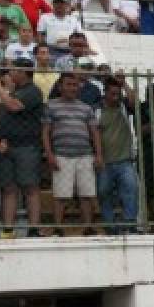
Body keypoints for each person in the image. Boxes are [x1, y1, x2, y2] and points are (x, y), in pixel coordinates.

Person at [0, 61, 46, 237]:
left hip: (26, 146)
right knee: (8, 188)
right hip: (6, 146)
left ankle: (34, 229)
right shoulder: (12, 92)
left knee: (30, 187)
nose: (11, 72)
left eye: (15, 69)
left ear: (24, 72)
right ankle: (8, 230)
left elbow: (14, 106)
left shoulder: (33, 91)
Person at [42, 72, 103, 235]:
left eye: (75, 85)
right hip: (61, 155)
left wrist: (98, 155)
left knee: (86, 194)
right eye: (68, 84)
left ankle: (88, 227)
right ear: (60, 86)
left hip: (85, 155)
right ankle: (58, 228)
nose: (72, 88)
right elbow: (46, 132)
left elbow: (94, 132)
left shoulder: (86, 108)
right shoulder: (51, 105)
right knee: (61, 195)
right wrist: (49, 154)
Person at [96, 79, 139, 234]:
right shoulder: (98, 110)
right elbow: (96, 133)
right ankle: (109, 225)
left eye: (118, 93)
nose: (116, 97)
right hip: (106, 161)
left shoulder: (124, 107)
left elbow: (135, 101)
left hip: (124, 160)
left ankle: (130, 224)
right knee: (103, 192)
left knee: (131, 190)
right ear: (105, 93)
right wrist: (99, 156)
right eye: (112, 94)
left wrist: (124, 83)